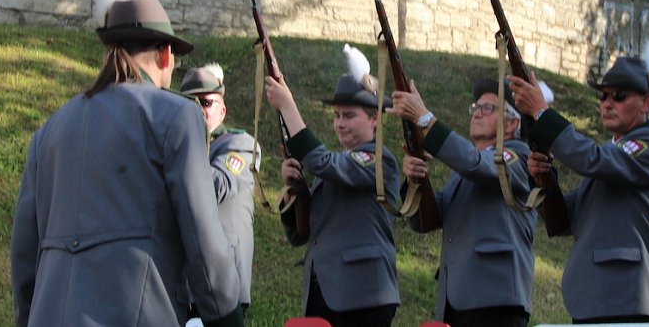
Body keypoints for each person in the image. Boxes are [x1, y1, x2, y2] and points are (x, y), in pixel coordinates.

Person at [10, 0, 243, 327]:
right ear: (166, 55)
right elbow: (203, 240)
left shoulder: (49, 130)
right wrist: (227, 317)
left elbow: (25, 256)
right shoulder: (176, 116)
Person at [510, 47, 649, 324]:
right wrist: (542, 176)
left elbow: (591, 159)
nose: (608, 103)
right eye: (603, 96)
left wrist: (542, 112)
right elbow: (563, 220)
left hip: (631, 300)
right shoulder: (609, 155)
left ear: (647, 103)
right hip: (594, 300)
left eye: (619, 96)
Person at [264, 45, 400, 327]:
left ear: (374, 118)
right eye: (336, 116)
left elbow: (323, 162)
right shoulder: (336, 165)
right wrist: (296, 189)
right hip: (325, 292)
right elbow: (301, 234)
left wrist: (289, 106)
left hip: (363, 296)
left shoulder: (378, 159)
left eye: (348, 115)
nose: (339, 124)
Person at [388, 78, 537, 327]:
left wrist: (424, 119)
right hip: (458, 299)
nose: (477, 113)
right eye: (475, 107)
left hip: (495, 300)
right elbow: (428, 220)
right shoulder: (466, 167)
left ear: (513, 123)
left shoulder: (518, 155)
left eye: (488, 108)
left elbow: (476, 164)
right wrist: (417, 180)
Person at [181, 63, 257, 316]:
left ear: (222, 110)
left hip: (222, 281)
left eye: (206, 103)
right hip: (182, 283)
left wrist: (185, 143)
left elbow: (217, 187)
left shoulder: (240, 144)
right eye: (190, 103)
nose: (199, 110)